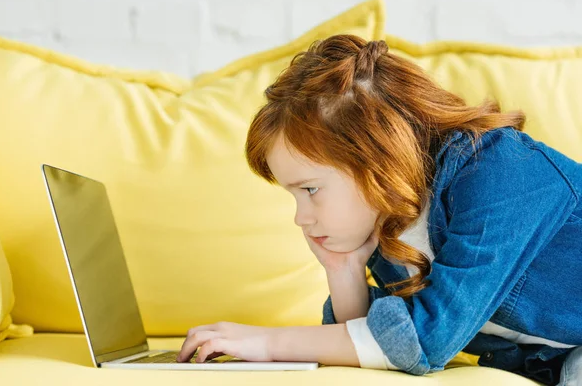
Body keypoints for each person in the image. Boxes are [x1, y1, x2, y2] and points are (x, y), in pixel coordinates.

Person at [176, 34, 582, 385]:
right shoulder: (390, 220)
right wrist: (345, 270)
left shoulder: (502, 173)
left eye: (311, 189)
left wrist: (264, 343)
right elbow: (369, 351)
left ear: (377, 160)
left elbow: (421, 341)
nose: (301, 217)